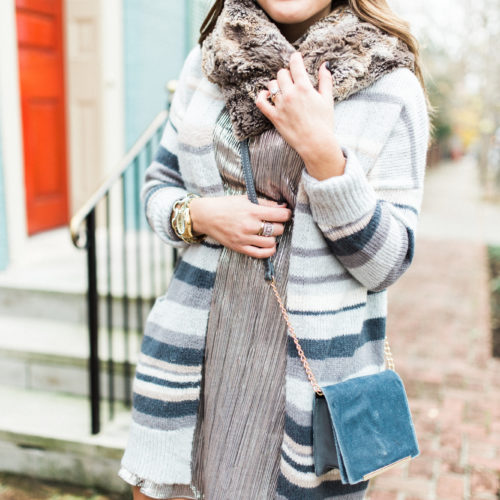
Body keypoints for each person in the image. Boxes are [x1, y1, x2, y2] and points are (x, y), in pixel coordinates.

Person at [119, 0, 430, 498]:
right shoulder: (209, 62)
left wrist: (324, 155)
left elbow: (388, 262)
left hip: (309, 379)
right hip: (196, 364)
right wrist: (200, 216)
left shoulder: (391, 84)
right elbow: (159, 185)